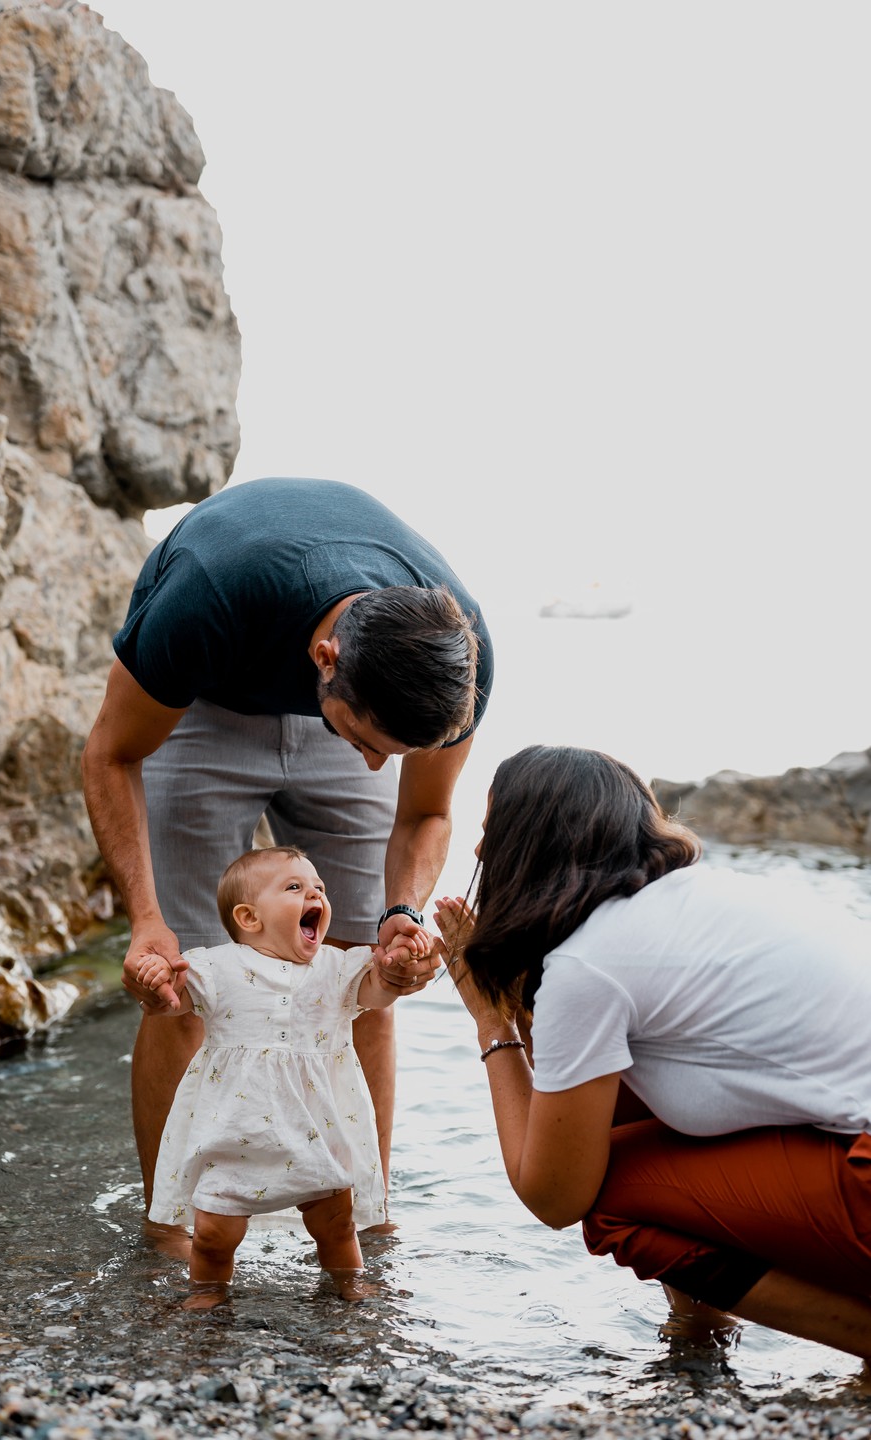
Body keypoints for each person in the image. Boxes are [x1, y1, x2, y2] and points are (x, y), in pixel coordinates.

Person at [81, 476, 493, 1219]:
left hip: (362, 690)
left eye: (391, 754)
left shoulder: (455, 660)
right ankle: (173, 1232)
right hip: (205, 698)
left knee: (373, 970)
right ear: (325, 657)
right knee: (176, 985)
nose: (376, 769)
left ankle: (362, 1222)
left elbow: (425, 811)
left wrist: (403, 910)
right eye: (370, 747)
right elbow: (110, 753)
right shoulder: (209, 594)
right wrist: (145, 917)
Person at [433, 744, 871, 1366]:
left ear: (533, 844)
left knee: (607, 1199)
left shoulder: (590, 961)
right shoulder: (689, 904)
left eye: (490, 833)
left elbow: (555, 1195)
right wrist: (526, 1004)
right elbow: (596, 1106)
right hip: (850, 1150)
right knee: (623, 1118)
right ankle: (701, 1336)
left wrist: (490, 1020)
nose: (480, 853)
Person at [129, 845, 440, 1308]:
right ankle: (210, 1290)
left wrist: (395, 962)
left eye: (319, 887)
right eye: (295, 887)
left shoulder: (337, 967)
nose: (314, 893)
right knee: (214, 1233)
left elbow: (376, 991)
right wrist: (156, 976)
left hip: (313, 1129)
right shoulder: (216, 967)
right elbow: (175, 992)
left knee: (336, 1223)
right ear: (249, 918)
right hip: (234, 1132)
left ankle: (349, 1281)